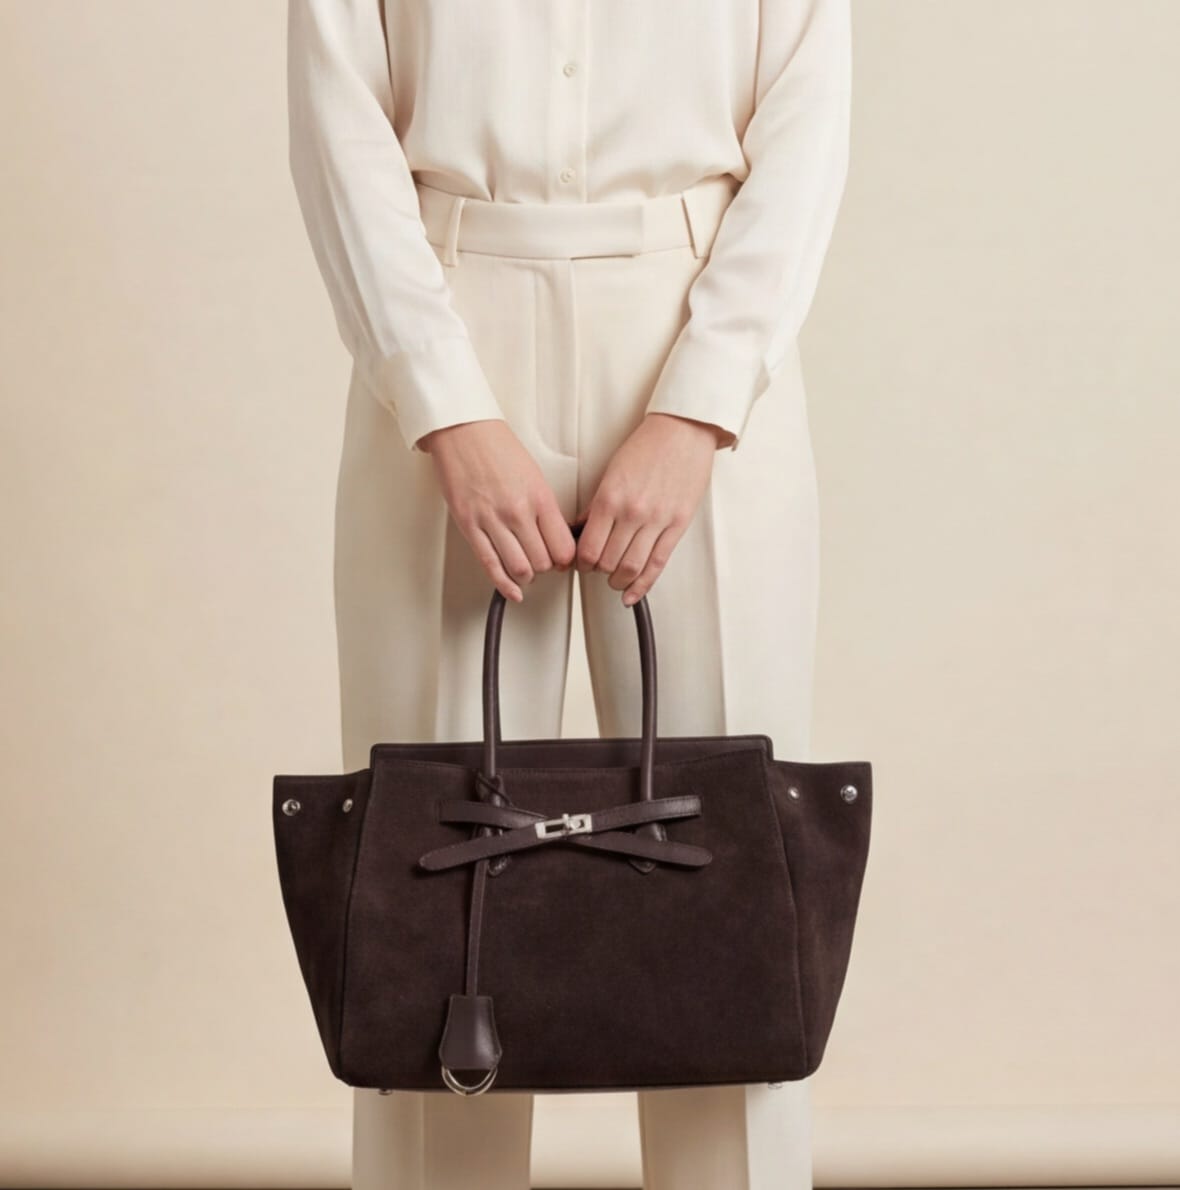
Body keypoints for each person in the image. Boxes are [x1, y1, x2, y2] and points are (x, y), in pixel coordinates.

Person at [285, 0, 852, 1186]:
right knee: (432, 878)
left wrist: (701, 405)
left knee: (729, 872)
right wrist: (440, 403)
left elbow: (807, 111)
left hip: (697, 308)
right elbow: (338, 115)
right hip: (449, 305)